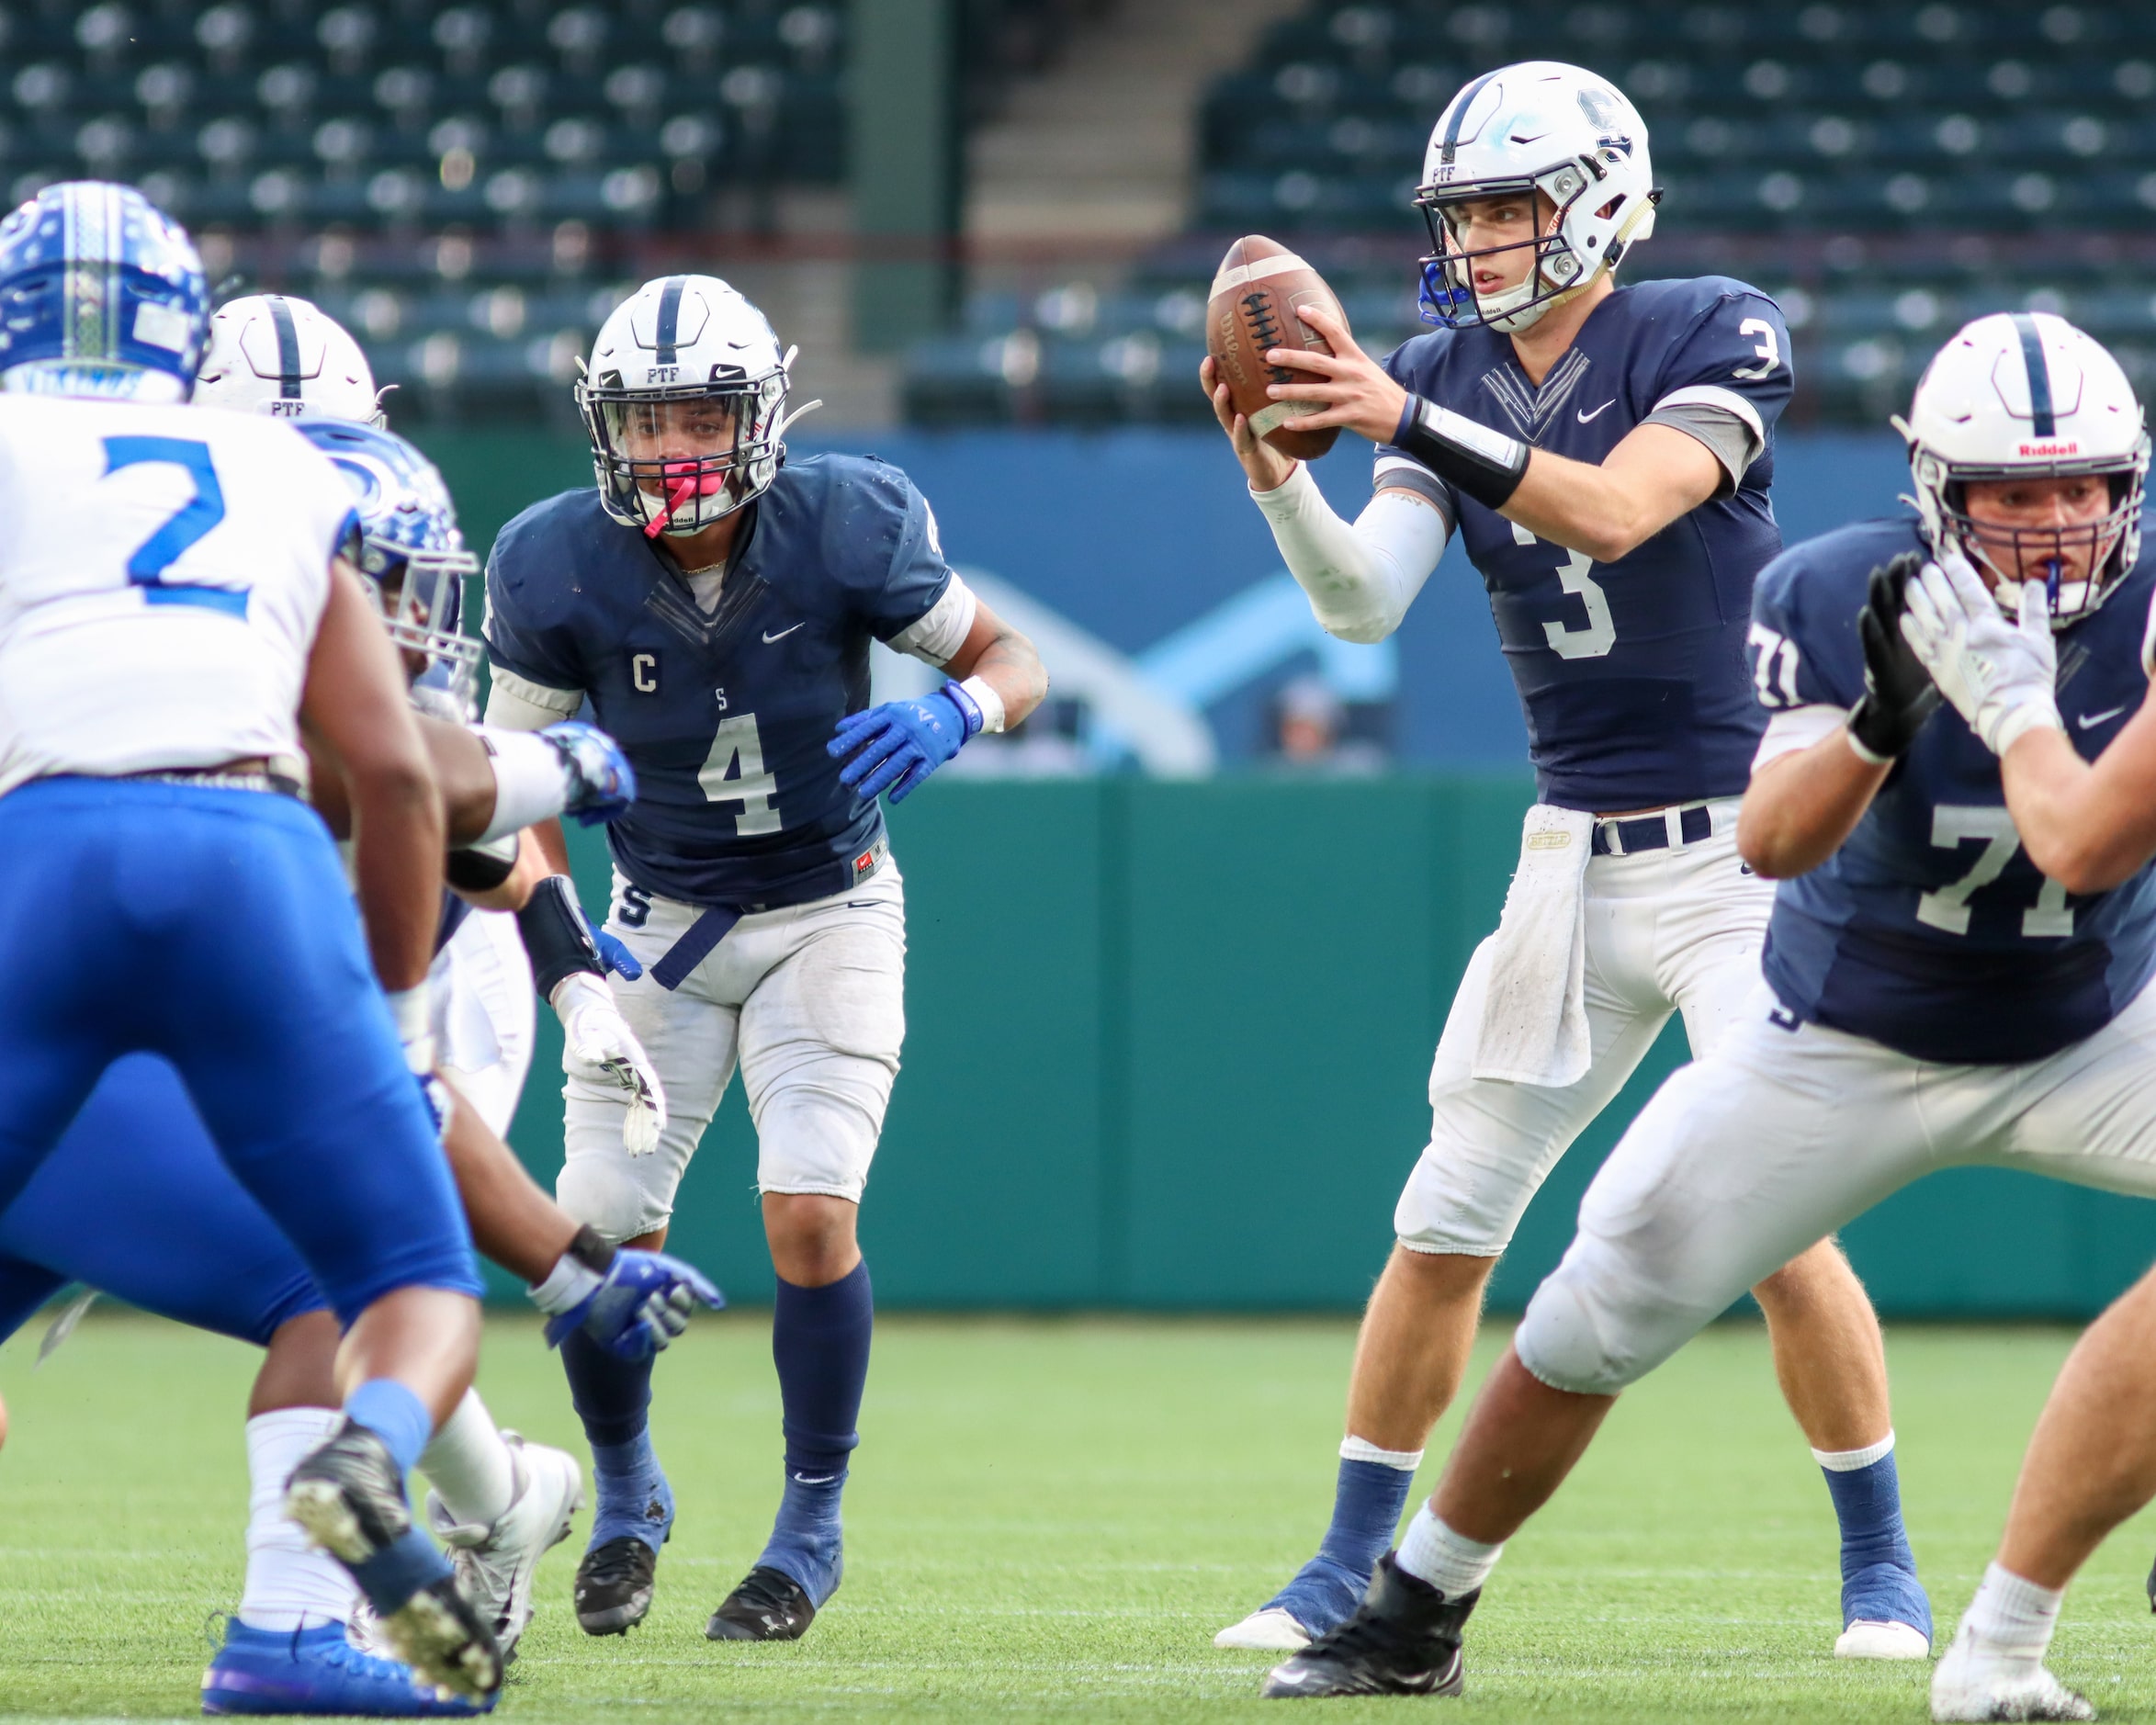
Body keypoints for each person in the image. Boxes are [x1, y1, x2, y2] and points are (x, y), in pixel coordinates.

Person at [1260, 312, 2156, 1722]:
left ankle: (1992, 1634)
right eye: (2009, 494)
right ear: (1938, 490)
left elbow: (2090, 842)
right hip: (1850, 1028)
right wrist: (1878, 723)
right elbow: (1775, 840)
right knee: (1598, 1299)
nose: (2051, 525)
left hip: (2094, 1015)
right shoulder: (1840, 588)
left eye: (2081, 490)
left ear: (2128, 487)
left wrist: (2008, 699)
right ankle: (1414, 1603)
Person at [1202, 61, 1921, 1658]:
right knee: (1445, 1215)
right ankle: (1341, 1563)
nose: (1477, 239)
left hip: (1746, 848)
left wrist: (1404, 414)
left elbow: (1610, 512)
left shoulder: (1703, 325)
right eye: (1461, 212)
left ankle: (1881, 1562)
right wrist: (1275, 479)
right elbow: (1360, 603)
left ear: (1601, 197)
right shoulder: (1443, 361)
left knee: (1775, 1209)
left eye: (1508, 205)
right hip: (1572, 850)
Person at [482, 274, 1048, 1642]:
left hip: (828, 904)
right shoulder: (552, 559)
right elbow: (505, 787)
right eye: (649, 419)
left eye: (700, 414)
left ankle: (809, 1525)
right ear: (605, 426)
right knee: (597, 1224)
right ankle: (626, 1494)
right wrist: (567, 953)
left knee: (808, 1209)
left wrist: (961, 710)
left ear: (760, 417)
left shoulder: (849, 518)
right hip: (657, 923)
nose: (675, 446)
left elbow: (1013, 655)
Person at [0, 181, 494, 1698]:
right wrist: (406, 1034)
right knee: (397, 1276)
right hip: (251, 856)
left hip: (35, 854)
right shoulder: (284, 471)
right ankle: (302, 1604)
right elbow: (402, 770)